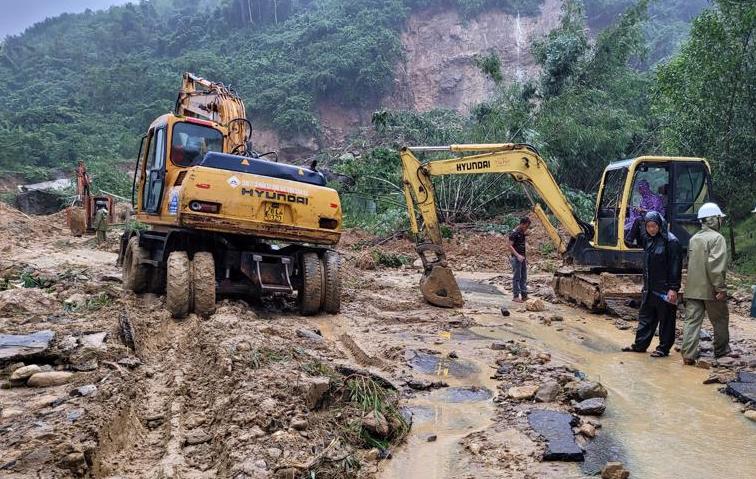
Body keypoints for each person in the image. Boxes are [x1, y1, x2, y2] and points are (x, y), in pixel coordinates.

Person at [622, 210, 682, 357]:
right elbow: (631, 238)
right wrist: (638, 220)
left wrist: (673, 289)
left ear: (659, 225)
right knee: (646, 317)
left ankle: (663, 348)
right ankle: (640, 345)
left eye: (653, 226)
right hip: (650, 287)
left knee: (666, 319)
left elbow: (675, 267)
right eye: (648, 226)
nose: (651, 229)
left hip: (665, 288)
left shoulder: (671, 242)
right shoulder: (648, 239)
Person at [681, 202, 730, 365]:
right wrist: (720, 288)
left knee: (692, 322)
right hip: (711, 290)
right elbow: (715, 266)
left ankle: (688, 354)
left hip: (693, 289)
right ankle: (721, 351)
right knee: (720, 319)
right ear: (714, 219)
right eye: (719, 218)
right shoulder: (717, 238)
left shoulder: (694, 238)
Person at [508, 216, 531, 303]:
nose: (527, 228)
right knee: (517, 277)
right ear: (521, 224)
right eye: (526, 226)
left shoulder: (522, 232)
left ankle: (524, 295)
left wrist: (524, 257)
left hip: (522, 258)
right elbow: (509, 245)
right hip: (517, 258)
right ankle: (516, 296)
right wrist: (517, 256)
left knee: (524, 277)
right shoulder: (514, 233)